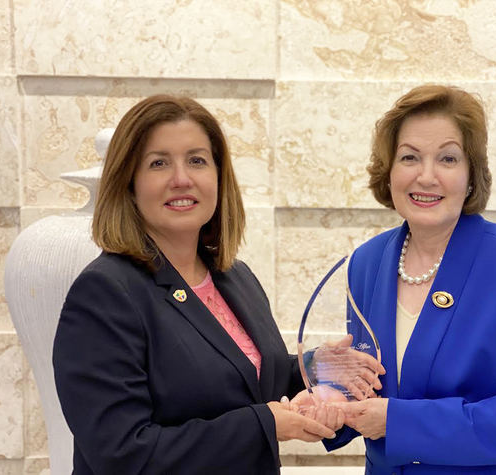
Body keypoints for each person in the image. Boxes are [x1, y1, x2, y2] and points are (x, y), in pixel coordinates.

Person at [52, 95, 345, 475]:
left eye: (197, 160)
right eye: (158, 163)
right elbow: (123, 453)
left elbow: (243, 379)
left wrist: (315, 368)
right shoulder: (105, 294)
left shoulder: (234, 277)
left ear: (219, 177)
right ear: (128, 183)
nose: (181, 179)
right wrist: (267, 425)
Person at [325, 85, 496, 474]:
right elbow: (371, 386)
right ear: (388, 171)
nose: (426, 176)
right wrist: (327, 399)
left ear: (471, 174)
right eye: (409, 157)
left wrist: (398, 422)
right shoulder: (366, 263)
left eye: (447, 158)